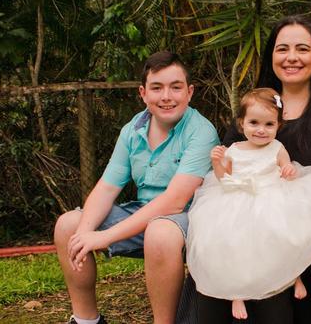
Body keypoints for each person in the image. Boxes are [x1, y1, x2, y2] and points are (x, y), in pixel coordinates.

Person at [53, 51, 219, 324]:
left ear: (189, 92)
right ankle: (86, 320)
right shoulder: (133, 130)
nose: (167, 96)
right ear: (143, 93)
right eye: (157, 88)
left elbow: (175, 202)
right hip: (144, 216)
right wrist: (84, 233)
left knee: (160, 231)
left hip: (192, 221)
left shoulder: (201, 131)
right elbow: (107, 188)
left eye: (176, 87)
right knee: (68, 225)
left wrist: (104, 237)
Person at [187, 87, 311, 323]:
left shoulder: (277, 148)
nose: (261, 130)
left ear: (278, 126)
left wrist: (289, 170)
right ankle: (236, 293)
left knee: (286, 234)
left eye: (269, 125)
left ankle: (293, 276)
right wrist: (217, 162)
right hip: (237, 199)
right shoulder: (234, 150)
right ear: (241, 124)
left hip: (271, 196)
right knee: (230, 240)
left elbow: (286, 168)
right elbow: (224, 179)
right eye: (254, 123)